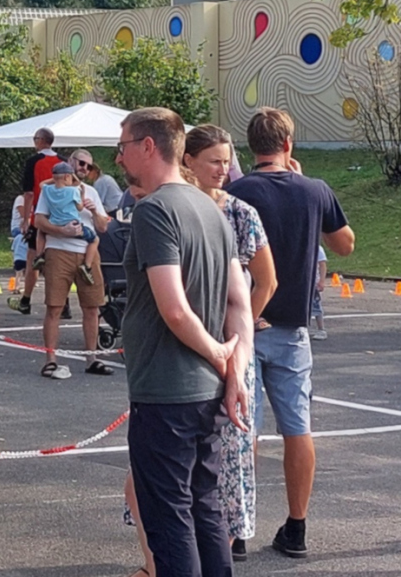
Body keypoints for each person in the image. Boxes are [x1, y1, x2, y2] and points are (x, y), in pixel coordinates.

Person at [117, 107, 253, 577]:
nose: (119, 158)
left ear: (148, 146)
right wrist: (234, 371)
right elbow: (239, 302)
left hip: (166, 391)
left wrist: (219, 355)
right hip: (206, 391)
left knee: (170, 520)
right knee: (204, 508)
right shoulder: (212, 208)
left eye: (123, 147)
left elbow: (174, 308)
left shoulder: (154, 210)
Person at [224, 106, 354, 559]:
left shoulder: (235, 192)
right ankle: (297, 525)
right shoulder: (314, 190)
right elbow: (345, 243)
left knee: (245, 427)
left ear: (250, 147)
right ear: (287, 144)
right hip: (293, 325)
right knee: (298, 428)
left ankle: (239, 526)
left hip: (244, 321)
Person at [185, 126, 277, 559]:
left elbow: (267, 280)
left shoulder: (241, 213)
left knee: (229, 451)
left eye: (227, 161)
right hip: (183, 343)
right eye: (214, 161)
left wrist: (240, 330)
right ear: (188, 161)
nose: (223, 169)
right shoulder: (175, 207)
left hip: (231, 352)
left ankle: (221, 549)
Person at [32, 160, 112, 378]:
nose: (83, 168)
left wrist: (94, 211)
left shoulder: (91, 192)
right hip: (59, 251)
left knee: (92, 307)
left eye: (88, 165)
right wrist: (61, 230)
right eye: (79, 164)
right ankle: (51, 360)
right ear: (70, 170)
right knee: (54, 307)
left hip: (87, 252)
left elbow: (103, 226)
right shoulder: (51, 191)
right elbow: (39, 221)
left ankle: (91, 358)